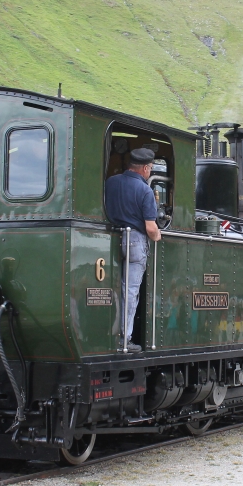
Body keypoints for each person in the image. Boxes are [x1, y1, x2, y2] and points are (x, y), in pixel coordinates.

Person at [104, 147, 162, 353]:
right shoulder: (144, 190)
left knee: (108, 290)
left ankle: (105, 333)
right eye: (151, 168)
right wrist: (158, 236)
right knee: (129, 291)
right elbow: (150, 227)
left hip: (108, 240)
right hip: (135, 241)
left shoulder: (110, 182)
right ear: (145, 168)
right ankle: (124, 338)